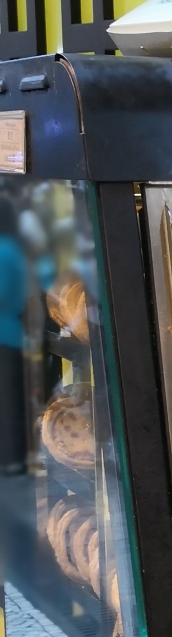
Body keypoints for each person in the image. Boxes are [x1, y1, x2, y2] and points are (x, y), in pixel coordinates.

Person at [0, 201, 28, 474]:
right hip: (13, 334)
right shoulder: (12, 248)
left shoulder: (4, 250)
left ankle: (12, 459)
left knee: (8, 401)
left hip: (5, 338)